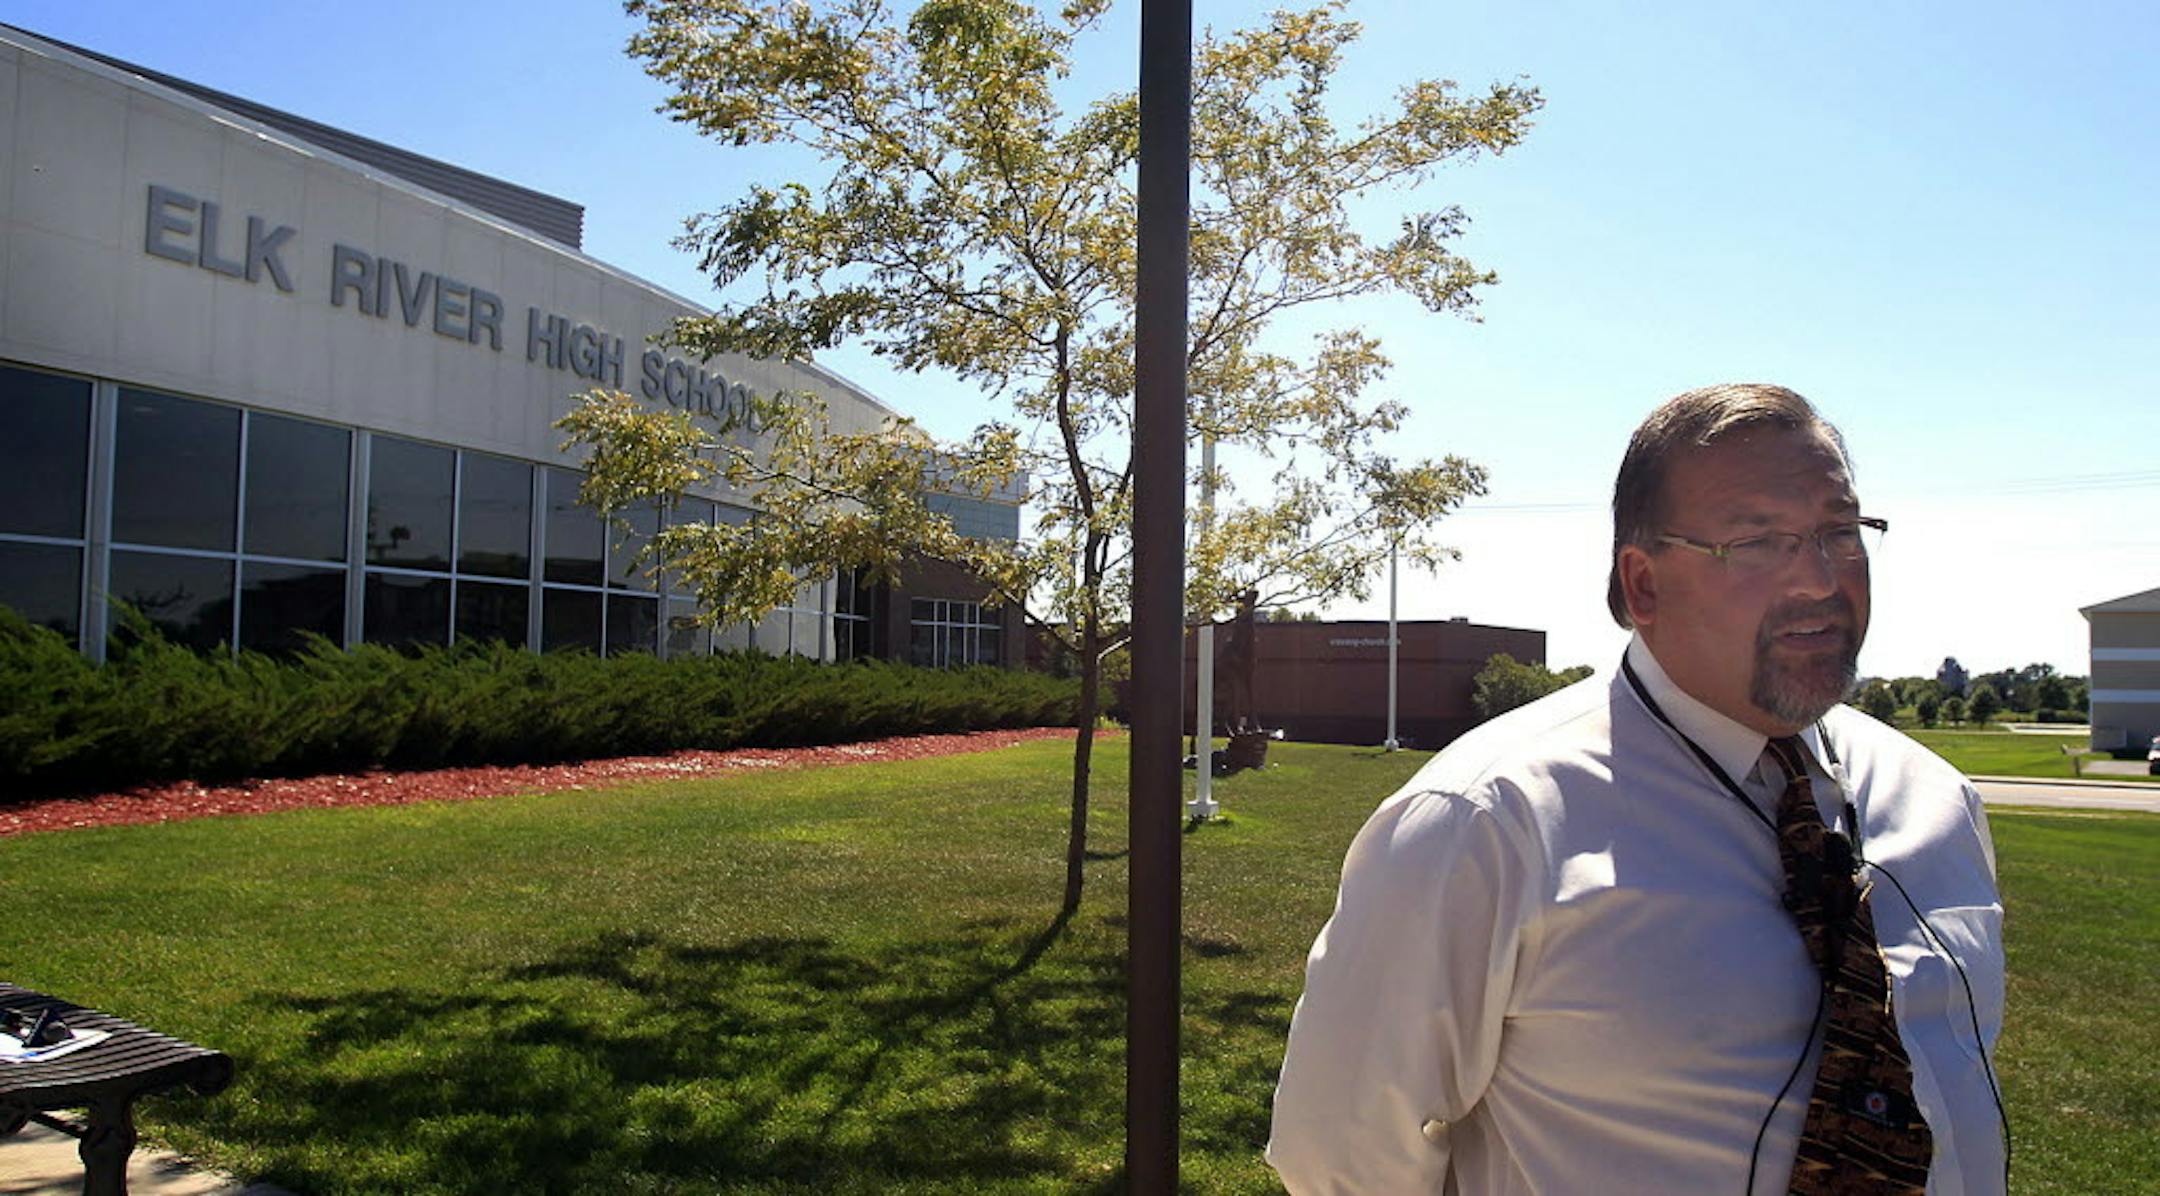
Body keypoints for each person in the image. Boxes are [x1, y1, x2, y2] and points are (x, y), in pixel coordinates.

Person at [1267, 384, 2006, 1195]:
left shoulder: (1935, 801)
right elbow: (1339, 1162)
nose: (1821, 580)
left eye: (1839, 531)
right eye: (1759, 541)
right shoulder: (1486, 823)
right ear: (1643, 584)